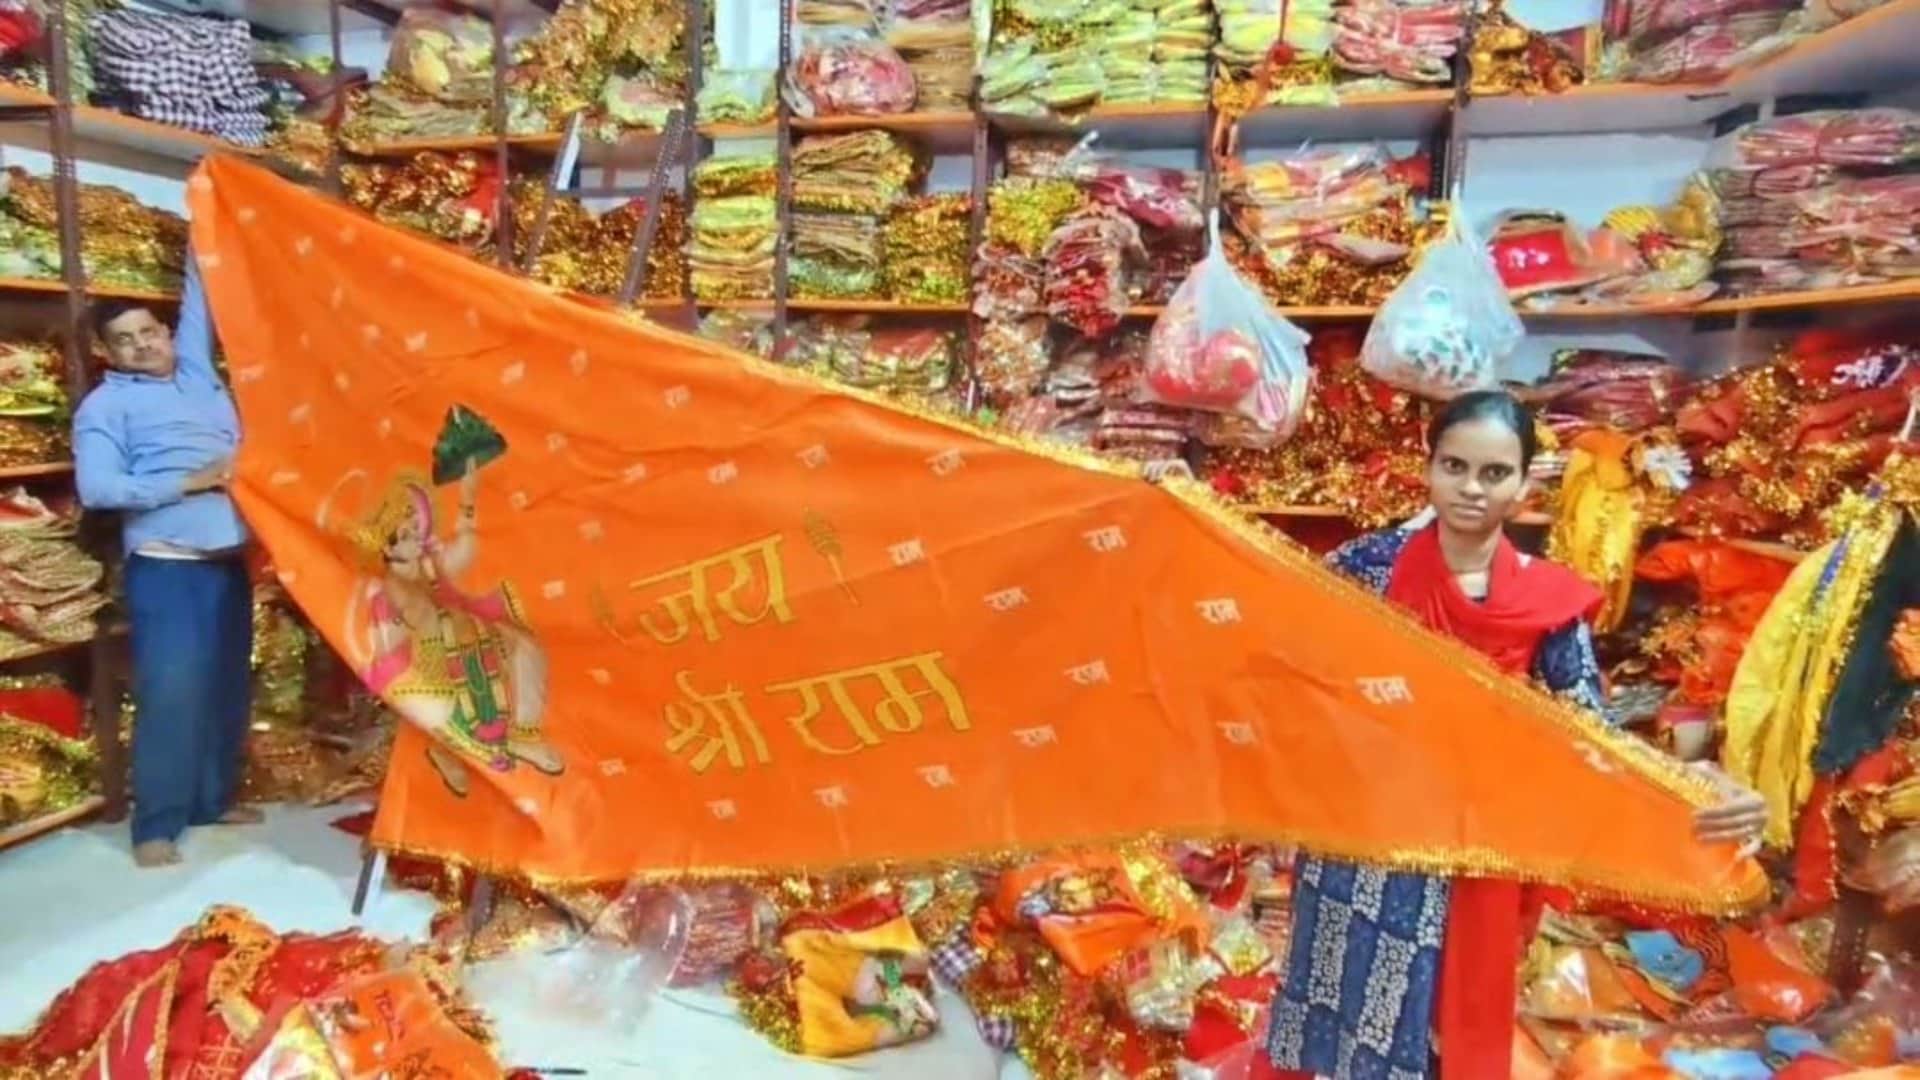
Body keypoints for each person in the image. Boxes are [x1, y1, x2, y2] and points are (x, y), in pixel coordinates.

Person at [1152, 390, 1768, 1080]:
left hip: (1479, 844)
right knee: (1351, 1010)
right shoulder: (1369, 568)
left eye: (1494, 473)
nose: (1471, 489)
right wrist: (1193, 520)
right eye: (1455, 466)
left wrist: (1694, 789)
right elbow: (1274, 630)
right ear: (1430, 468)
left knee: (1449, 1024)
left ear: (1525, 482)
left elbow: (1591, 733)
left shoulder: (1548, 599)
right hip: (1366, 834)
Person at [73, 253, 258, 868]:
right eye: (124, 341)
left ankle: (211, 801)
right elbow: (98, 488)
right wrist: (193, 482)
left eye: (149, 332)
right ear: (107, 352)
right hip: (166, 563)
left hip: (226, 559)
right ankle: (155, 826)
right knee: (173, 691)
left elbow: (201, 291)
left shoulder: (198, 371)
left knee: (226, 684)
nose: (142, 346)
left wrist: (207, 203)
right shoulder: (104, 409)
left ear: (167, 333)